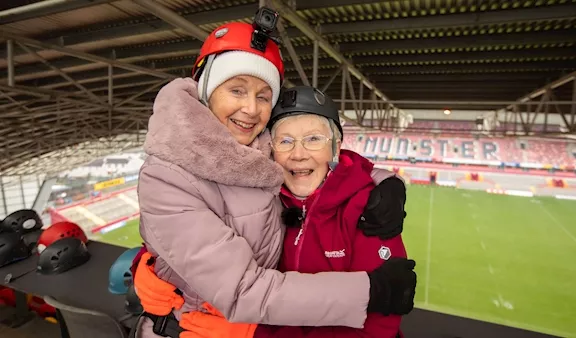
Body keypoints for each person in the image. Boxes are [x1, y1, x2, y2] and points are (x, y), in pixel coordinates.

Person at [131, 15, 414, 338]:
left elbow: (313, 153)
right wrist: (368, 292)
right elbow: (239, 285)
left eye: (263, 96)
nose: (251, 109)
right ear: (206, 90)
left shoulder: (260, 157)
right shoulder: (167, 176)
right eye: (237, 90)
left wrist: (382, 180)